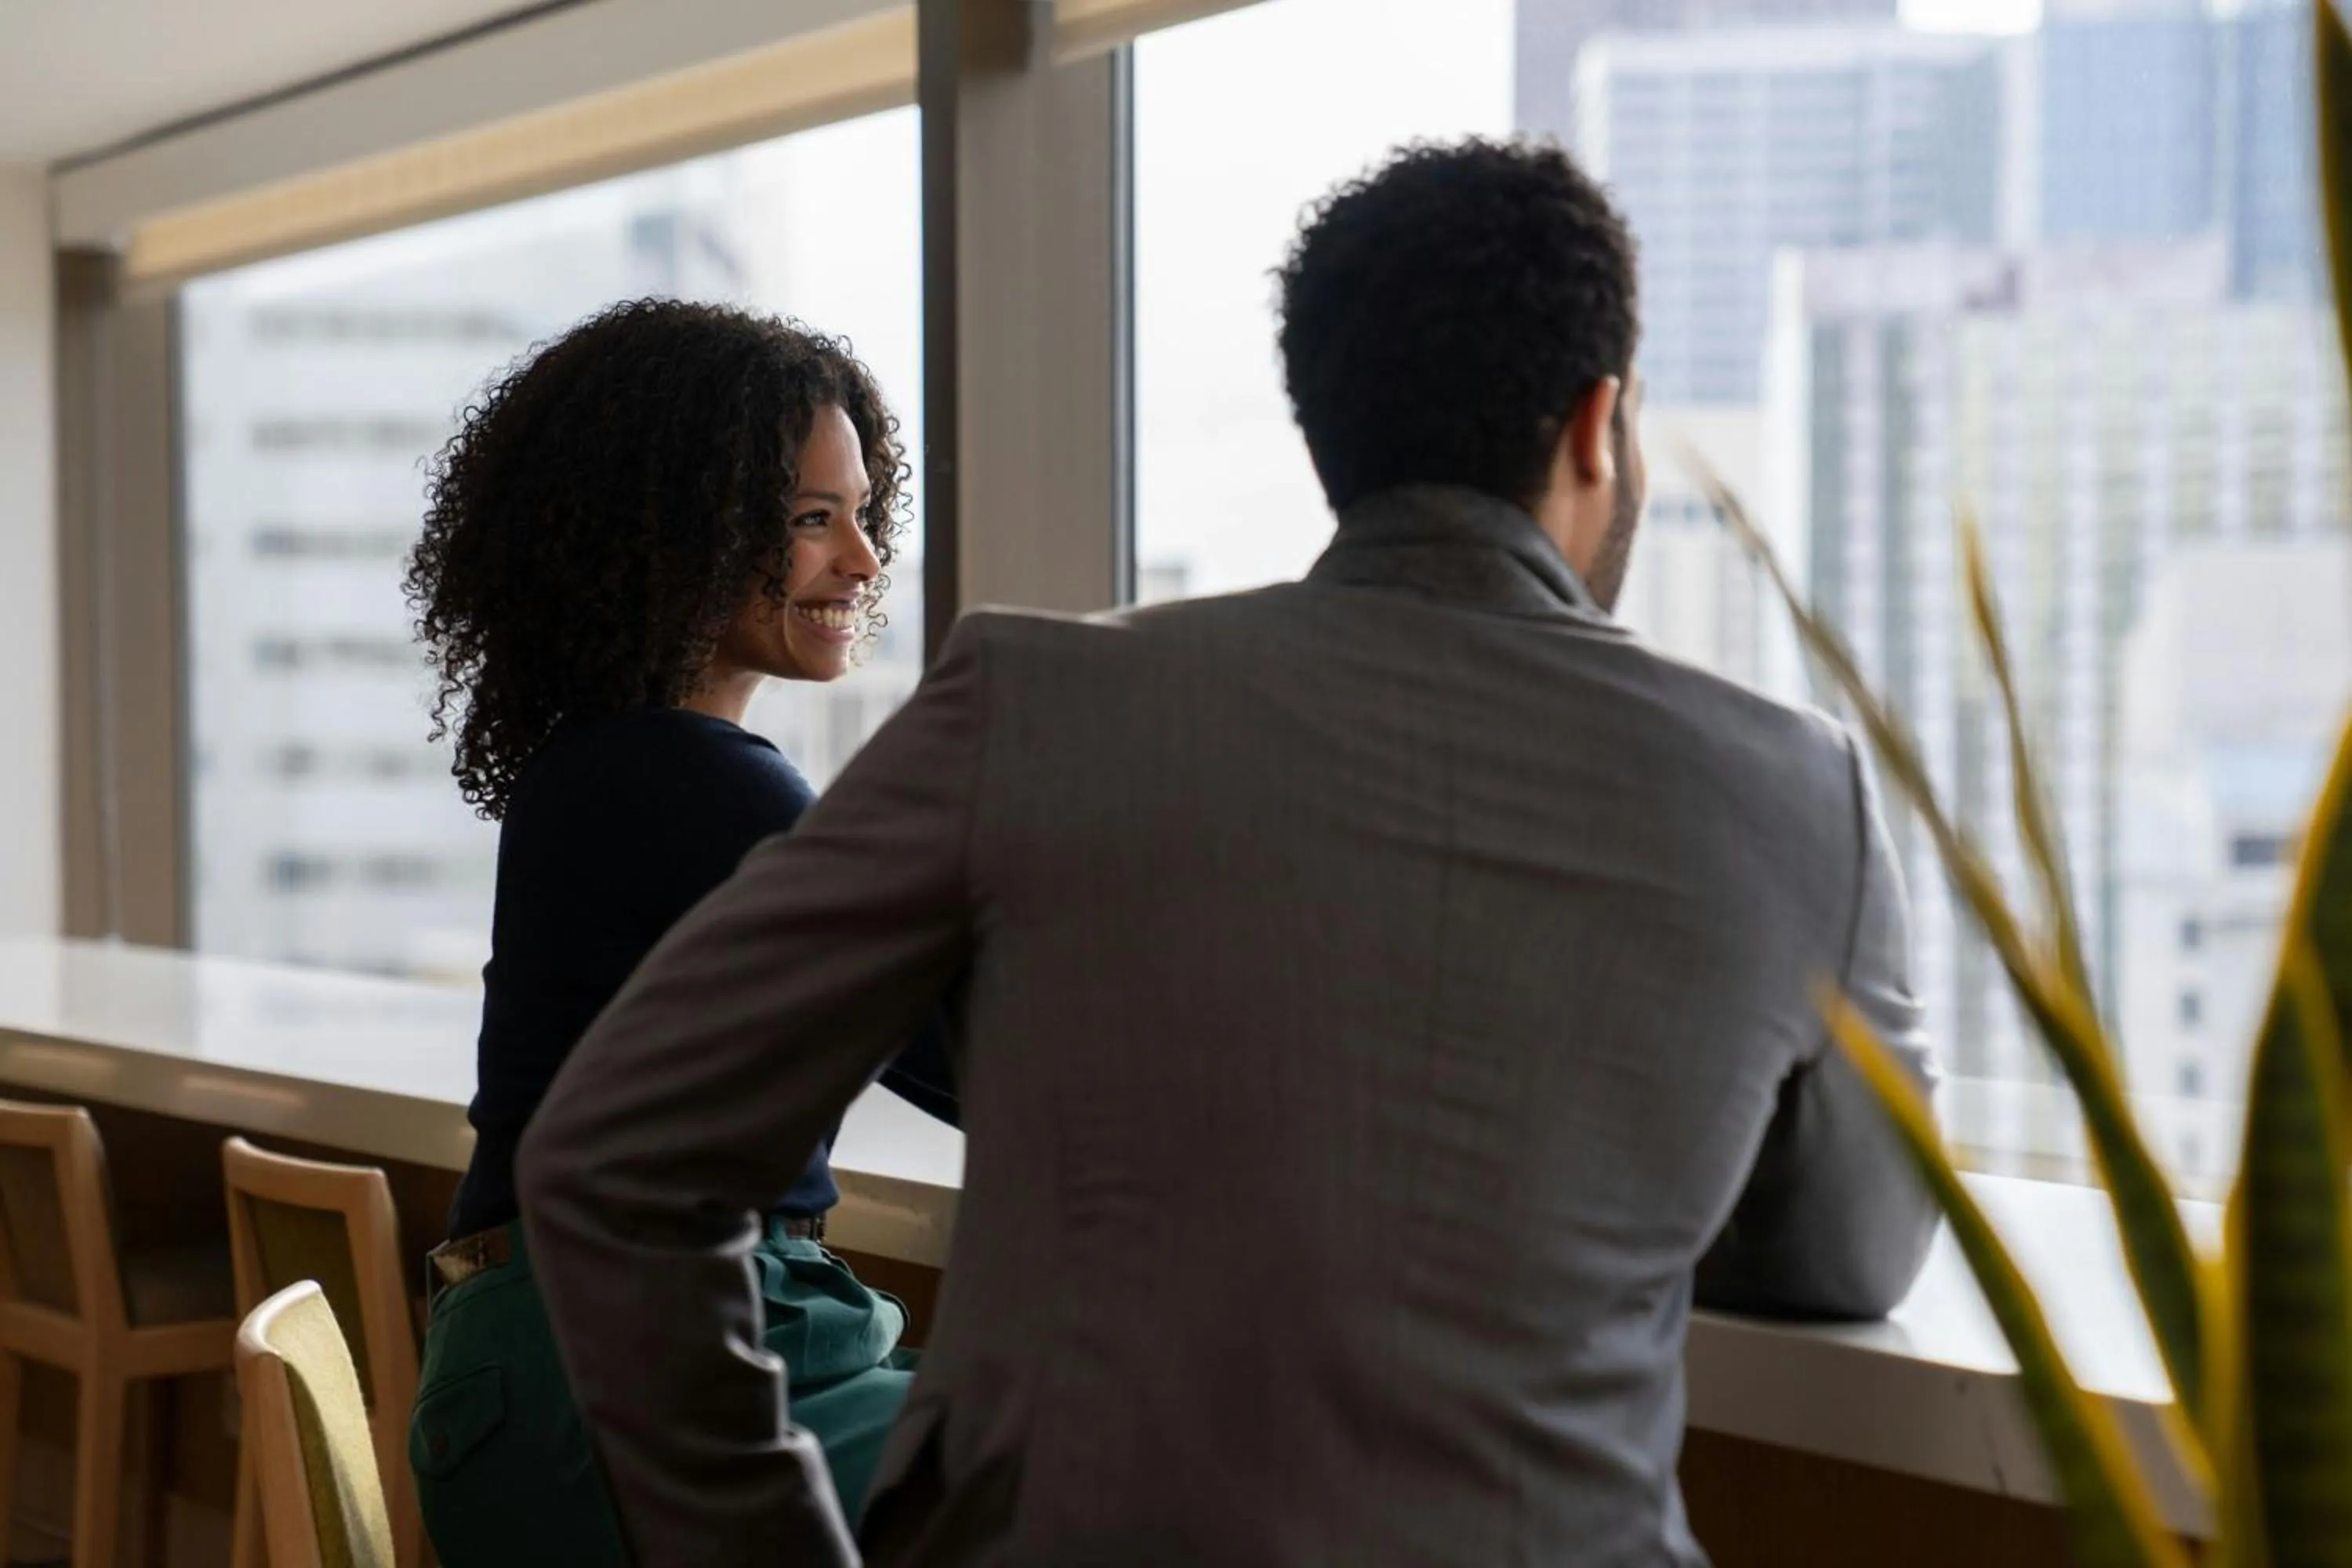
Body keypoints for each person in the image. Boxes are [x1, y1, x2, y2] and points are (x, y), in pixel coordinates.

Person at [519, 142, 1938, 1567]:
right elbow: (1850, 1259)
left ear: (1325, 436)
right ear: (1597, 422)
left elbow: (614, 1156)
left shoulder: (1030, 700)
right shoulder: (1795, 787)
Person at [398, 299, 956, 1567]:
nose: (864, 562)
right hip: (623, 1372)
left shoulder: (607, 762)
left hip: (556, 1375)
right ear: (675, 536)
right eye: (813, 520)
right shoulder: (696, 780)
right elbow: (974, 1052)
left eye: (863, 512)